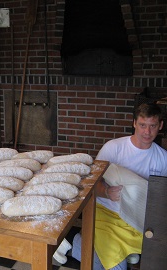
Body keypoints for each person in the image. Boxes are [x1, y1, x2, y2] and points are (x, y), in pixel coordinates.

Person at [71, 103, 167, 269]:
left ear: (160, 126)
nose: (147, 132)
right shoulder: (113, 148)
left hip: (137, 221)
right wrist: (107, 192)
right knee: (118, 267)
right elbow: (91, 184)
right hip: (106, 214)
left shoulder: (163, 158)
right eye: (143, 125)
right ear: (134, 123)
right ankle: (79, 242)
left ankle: (81, 245)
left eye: (153, 126)